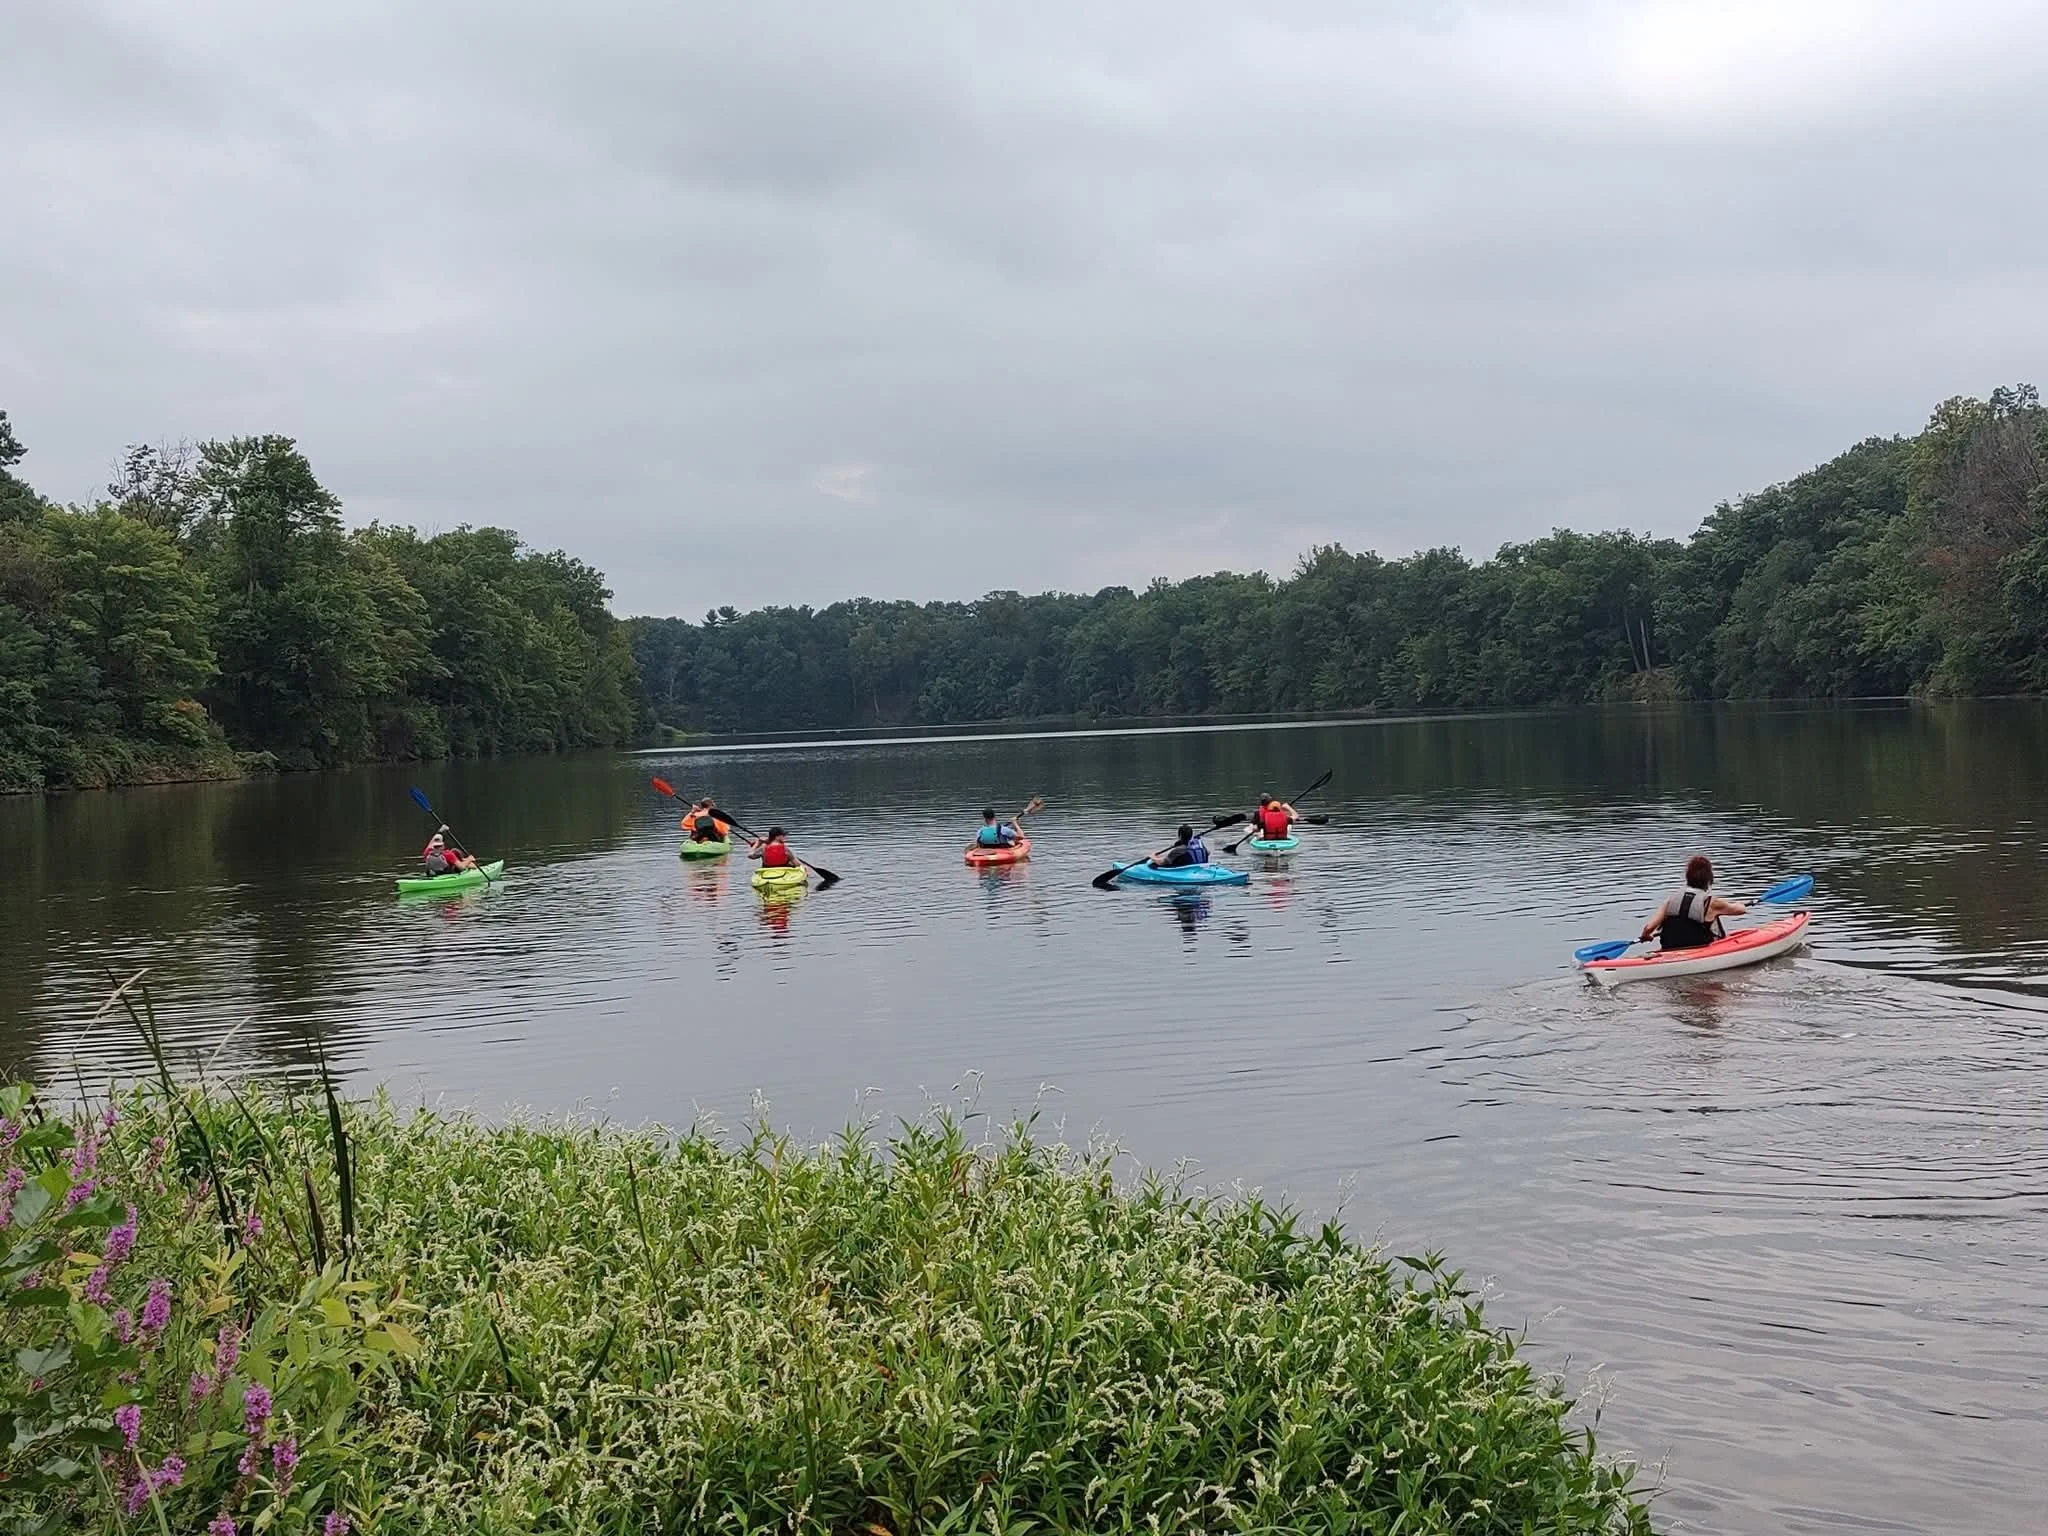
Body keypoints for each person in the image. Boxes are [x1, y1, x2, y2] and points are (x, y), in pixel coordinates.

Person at [1639, 855, 1747, 951]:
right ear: (1708, 878)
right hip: (1699, 948)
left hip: (1670, 947)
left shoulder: (1671, 899)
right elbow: (1741, 910)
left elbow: (1648, 928)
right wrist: (1740, 904)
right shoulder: (1713, 903)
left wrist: (1646, 936)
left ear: (1688, 876)